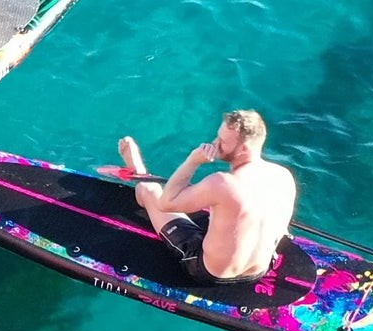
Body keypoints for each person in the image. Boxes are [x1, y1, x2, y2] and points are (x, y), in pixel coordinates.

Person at [118, 109, 296, 284]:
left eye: (222, 141)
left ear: (244, 148)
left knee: (151, 193)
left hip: (209, 272)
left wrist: (192, 161)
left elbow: (166, 203)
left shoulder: (222, 182)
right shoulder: (284, 177)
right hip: (260, 270)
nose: (215, 143)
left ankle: (140, 175)